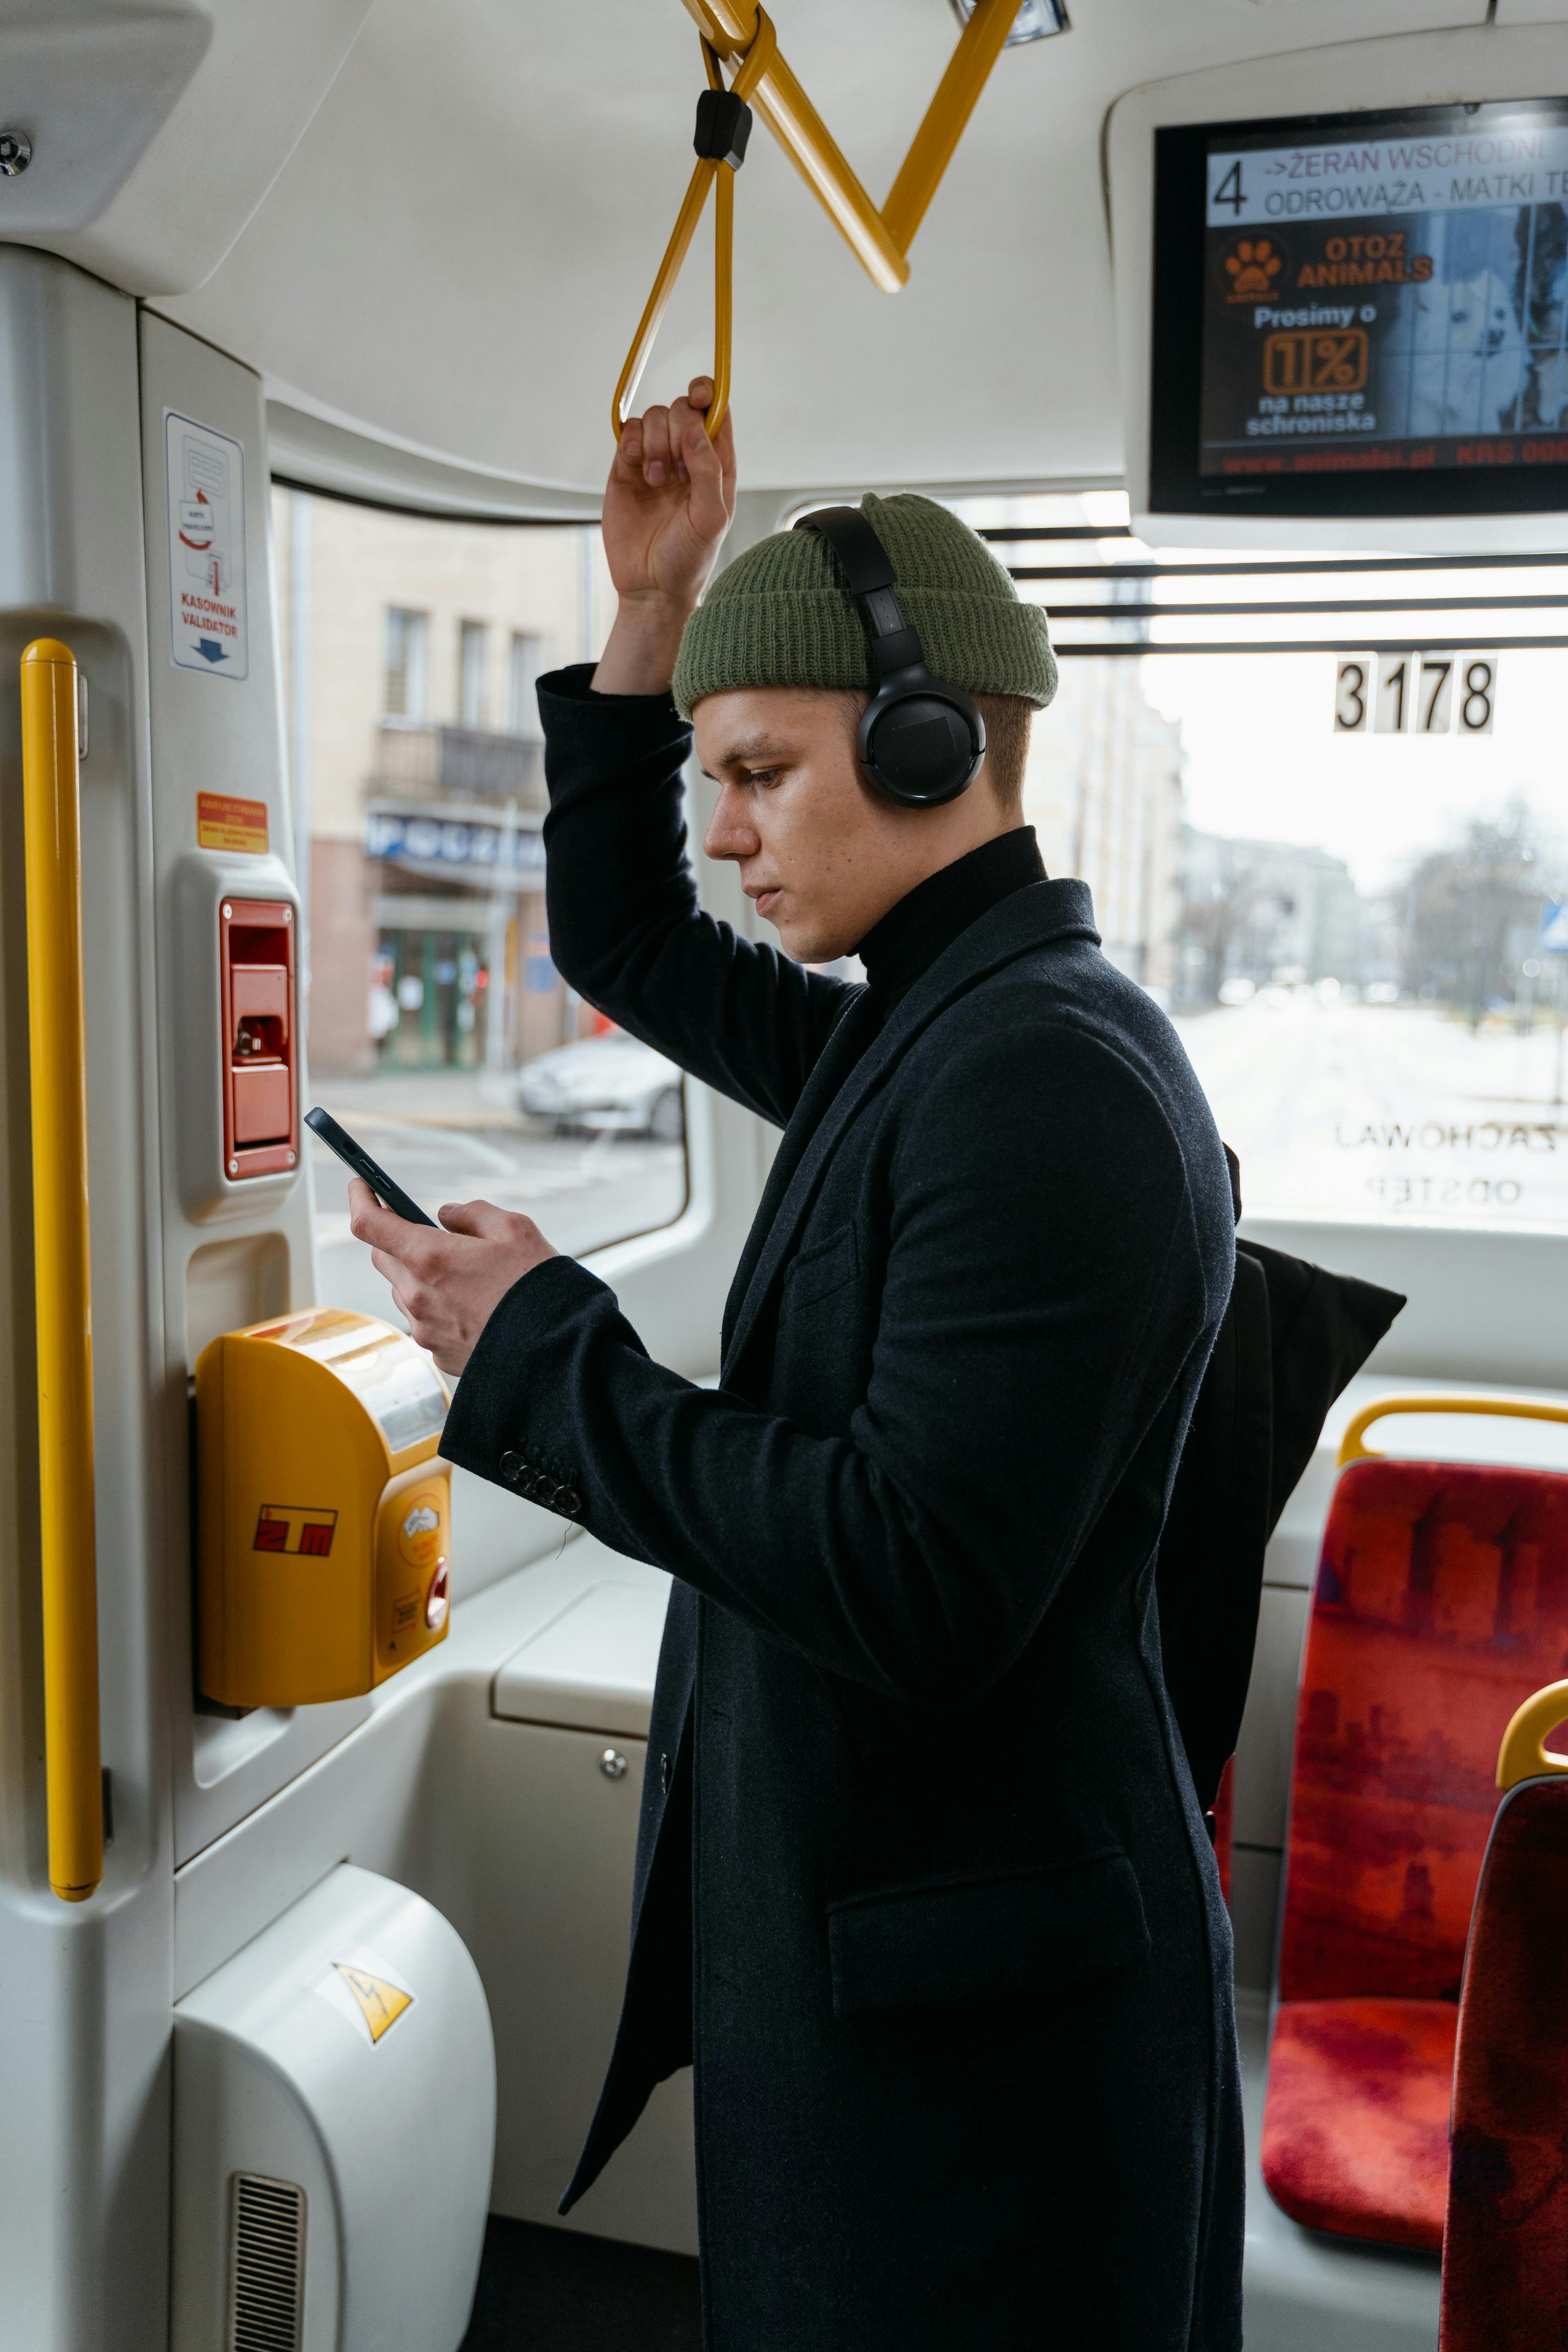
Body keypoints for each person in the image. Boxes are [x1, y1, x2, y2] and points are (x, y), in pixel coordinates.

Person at [347, 379, 1243, 2351]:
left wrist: (543, 1352)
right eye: (709, 779)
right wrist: (649, 616)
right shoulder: (921, 1032)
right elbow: (626, 940)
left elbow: (915, 1576)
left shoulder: (1045, 1086)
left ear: (934, 743)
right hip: (892, 1948)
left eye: (759, 770)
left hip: (979, 2028)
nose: (726, 832)